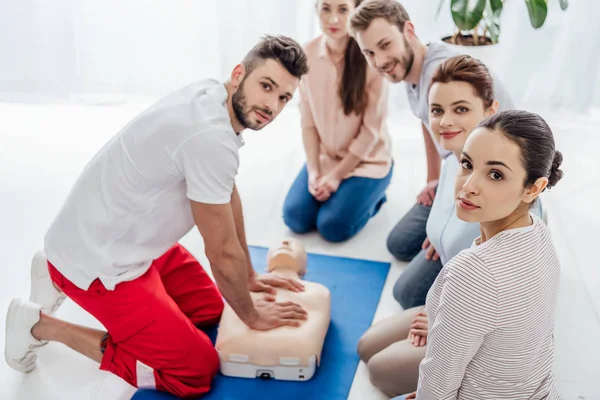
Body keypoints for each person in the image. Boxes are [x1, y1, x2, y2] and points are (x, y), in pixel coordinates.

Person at [5, 35, 311, 399]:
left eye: (283, 98)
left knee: (211, 310)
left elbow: (226, 190)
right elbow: (220, 253)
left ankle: (52, 271)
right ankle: (40, 325)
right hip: (103, 266)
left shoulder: (212, 96)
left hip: (112, 237)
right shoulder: (210, 139)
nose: (271, 105)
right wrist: (252, 316)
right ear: (238, 73)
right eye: (266, 86)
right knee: (195, 373)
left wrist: (246, 275)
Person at [356, 54, 503, 396]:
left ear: (490, 110)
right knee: (366, 347)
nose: (445, 122)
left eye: (461, 109)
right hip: (456, 295)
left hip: (482, 333)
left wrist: (441, 320)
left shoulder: (500, 185)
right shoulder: (454, 159)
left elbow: (499, 304)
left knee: (380, 372)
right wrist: (442, 235)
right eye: (437, 111)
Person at [398, 109, 564, 399]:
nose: (469, 185)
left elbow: (438, 384)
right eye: (467, 164)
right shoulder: (539, 233)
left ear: (533, 188)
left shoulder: (472, 271)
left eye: (495, 174)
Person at [348, 0, 514, 261]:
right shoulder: (411, 68)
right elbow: (426, 122)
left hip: (492, 185)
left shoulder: (439, 74)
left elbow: (480, 156)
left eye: (385, 45)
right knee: (399, 244)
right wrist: (432, 179)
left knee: (408, 290)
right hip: (456, 174)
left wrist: (447, 229)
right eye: (369, 53)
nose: (379, 61)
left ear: (409, 31)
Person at [282, 0, 393, 243]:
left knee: (332, 227)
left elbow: (369, 133)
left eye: (343, 9)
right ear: (316, 10)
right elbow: (308, 123)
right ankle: (342, 192)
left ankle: (375, 197)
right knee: (295, 219)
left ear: (356, 12)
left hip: (367, 160)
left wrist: (335, 177)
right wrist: (314, 171)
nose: (333, 19)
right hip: (327, 159)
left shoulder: (372, 59)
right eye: (326, 8)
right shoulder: (307, 54)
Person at [216, 238, 330, 382]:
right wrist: (252, 316)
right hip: (294, 351)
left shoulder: (318, 291)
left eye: (295, 245)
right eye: (278, 243)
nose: (285, 244)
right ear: (266, 267)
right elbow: (222, 247)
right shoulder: (239, 289)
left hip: (239, 350)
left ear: (304, 270)